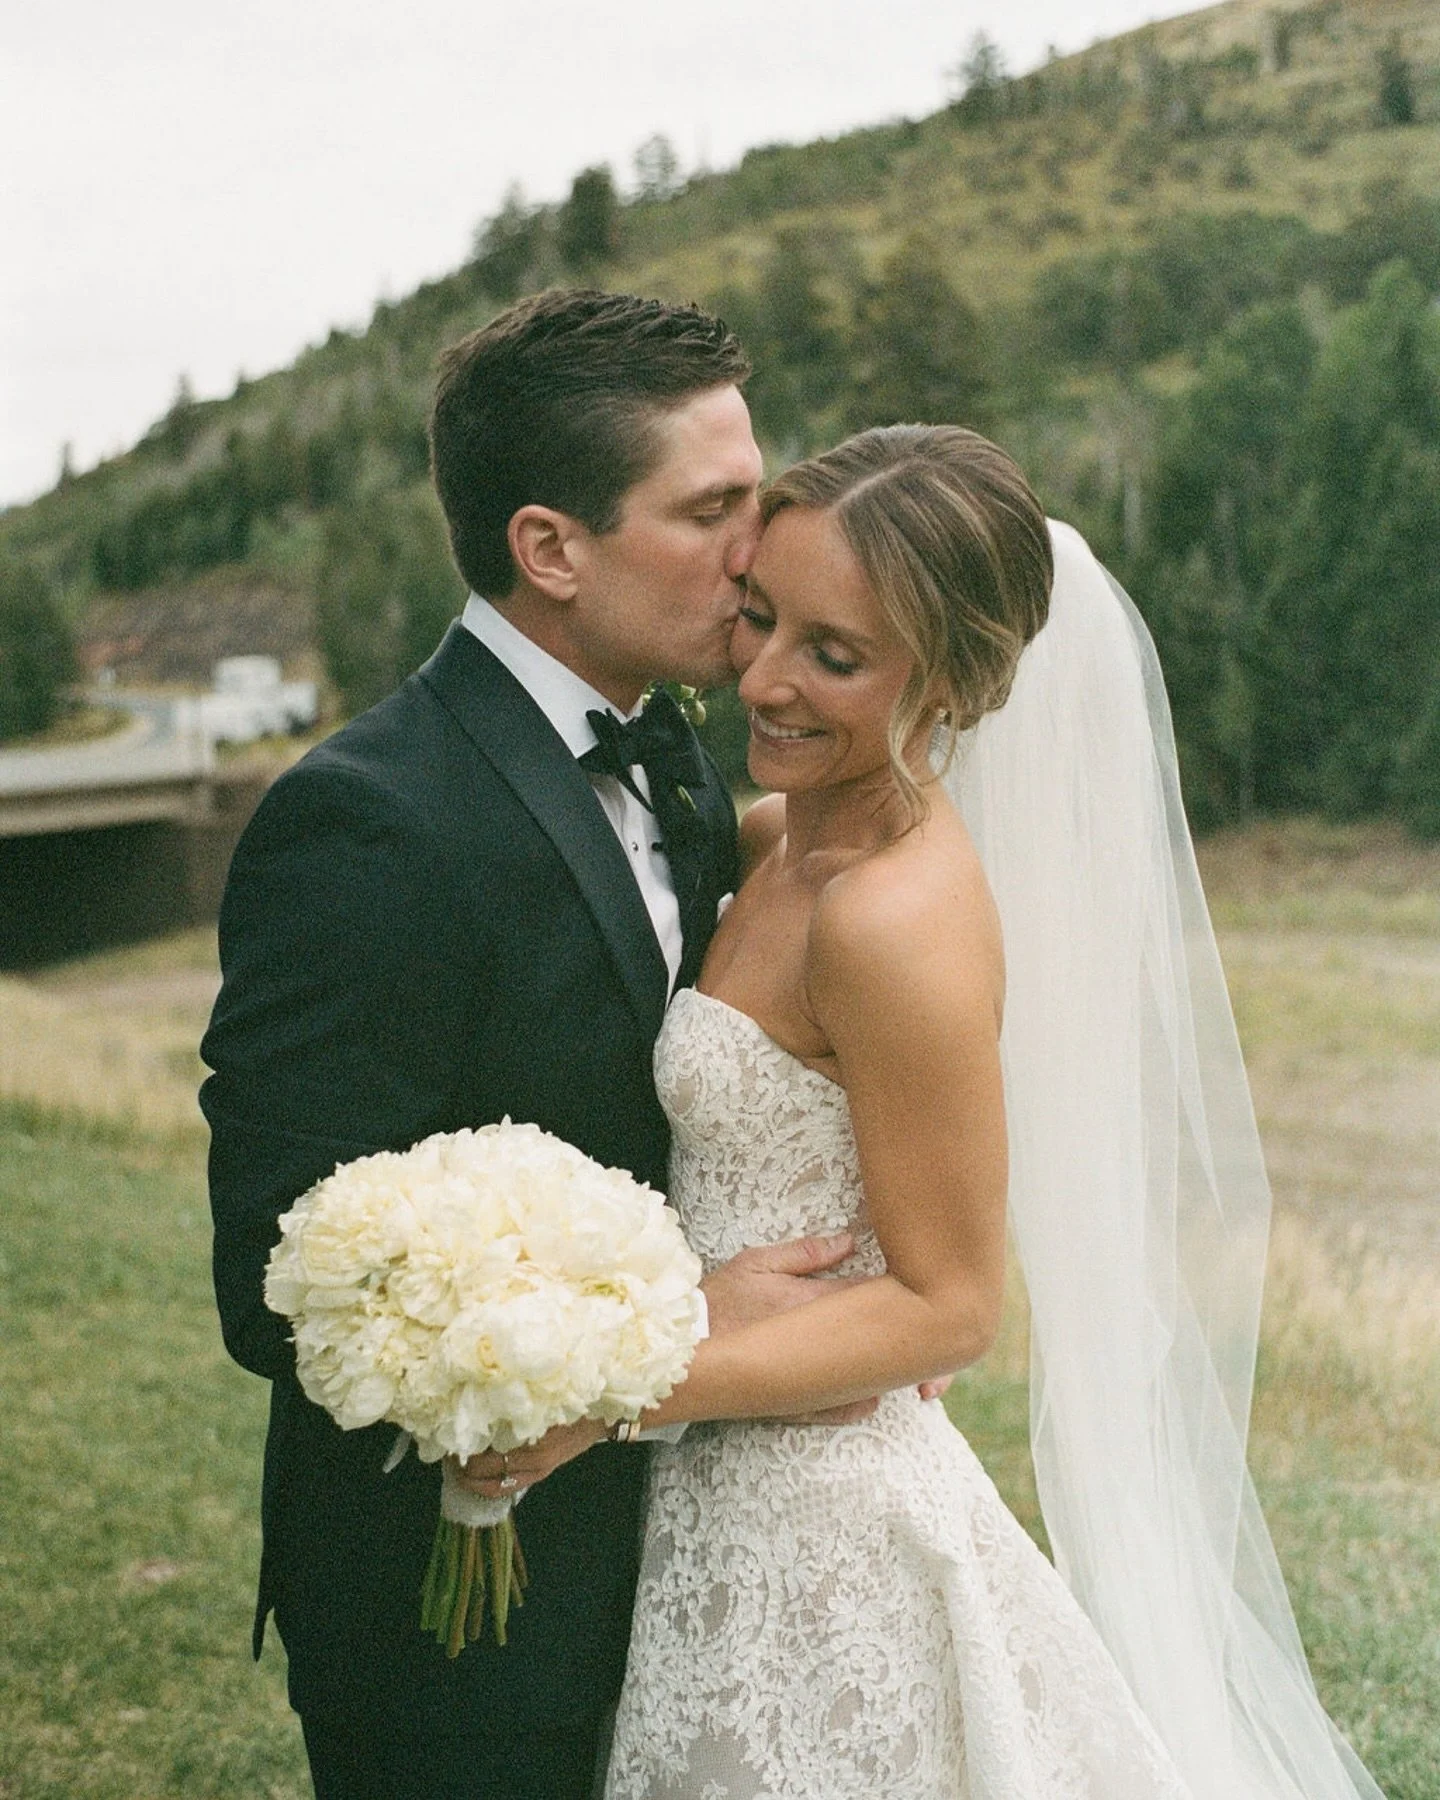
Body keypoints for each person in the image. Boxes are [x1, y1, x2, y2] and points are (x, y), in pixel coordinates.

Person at [550, 426, 1384, 1799]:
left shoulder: (893, 916)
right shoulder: (775, 840)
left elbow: (950, 1309)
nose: (762, 677)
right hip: (718, 1488)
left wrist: (606, 1386)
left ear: (953, 681)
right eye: (760, 615)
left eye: (833, 654)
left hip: (824, 1531)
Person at [199, 288, 875, 1800]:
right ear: (551, 548)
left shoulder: (681, 752)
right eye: (709, 509)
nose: (758, 548)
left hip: (695, 1560)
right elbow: (276, 1276)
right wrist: (679, 1325)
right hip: (455, 1616)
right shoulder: (364, 820)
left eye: (756, 495)